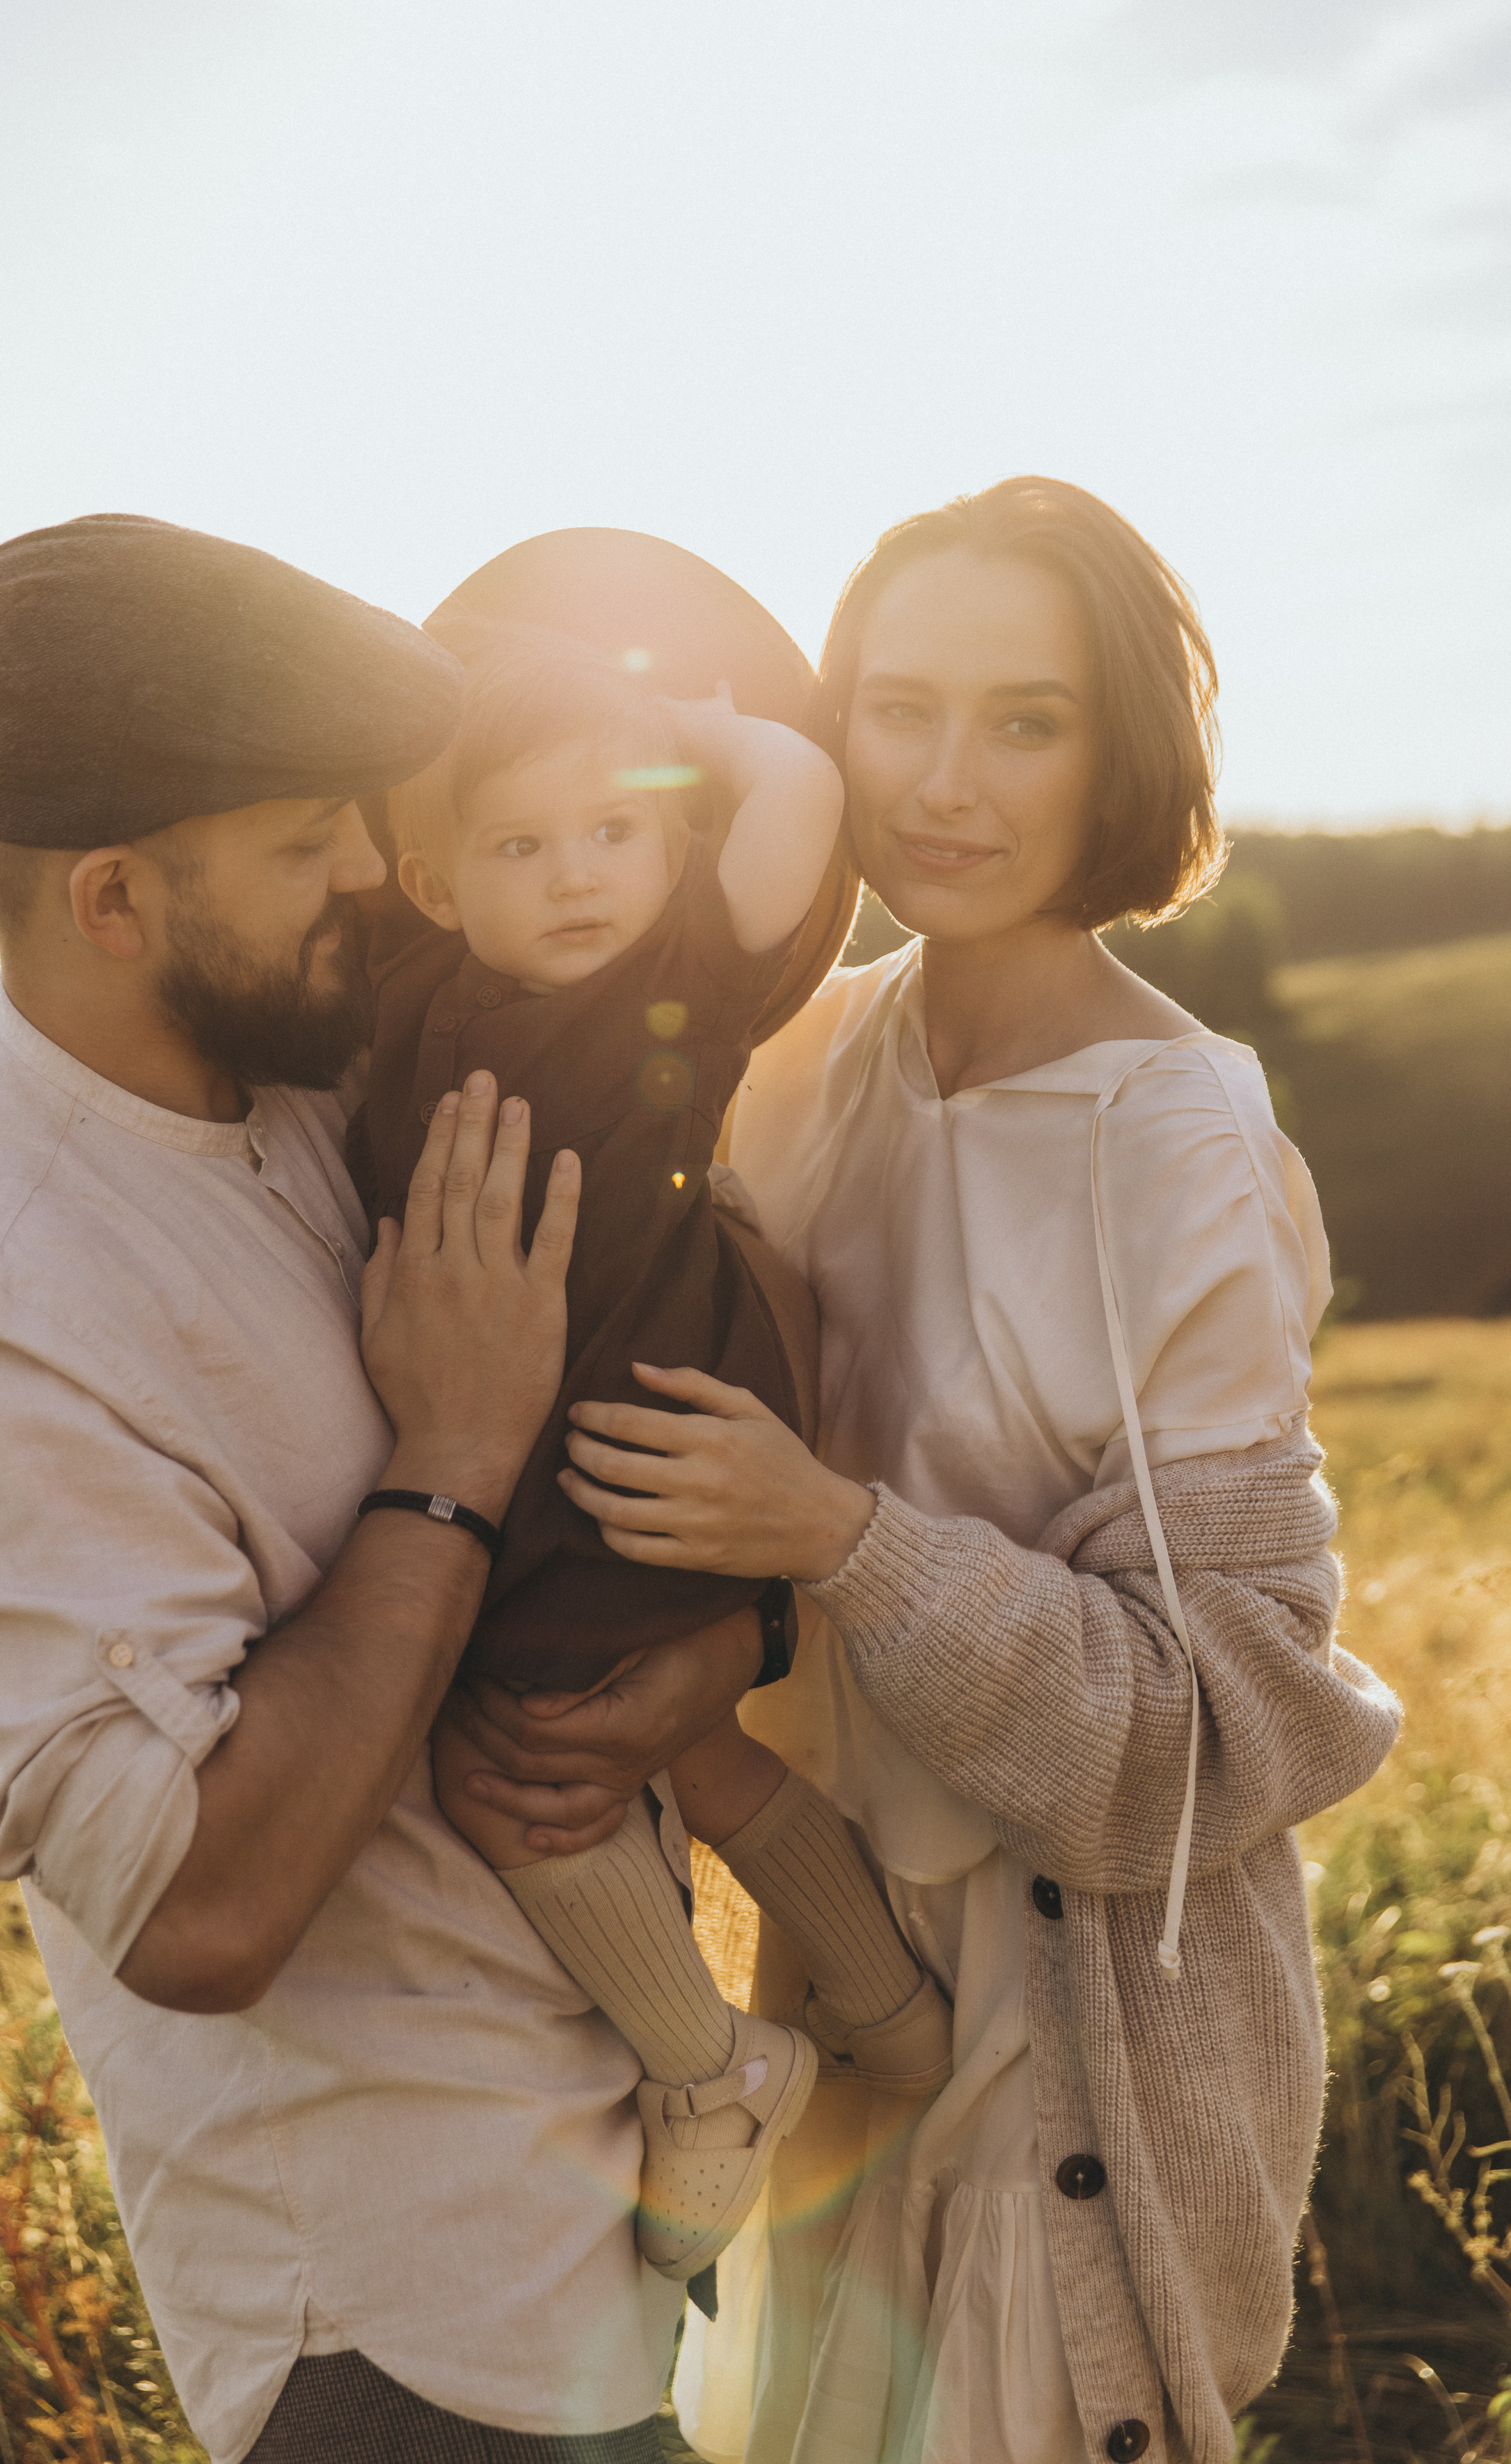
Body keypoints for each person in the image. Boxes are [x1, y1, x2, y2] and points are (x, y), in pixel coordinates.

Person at [0, 512, 775, 2464]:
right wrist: (450, 1458)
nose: (373, 869)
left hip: (542, 2181)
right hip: (405, 2291)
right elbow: (203, 1910)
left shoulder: (304, 1069)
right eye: (311, 834)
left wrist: (726, 1633)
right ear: (114, 898)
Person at [546, 479, 1404, 2464]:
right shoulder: (806, 1064)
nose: (942, 780)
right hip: (848, 1995)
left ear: (1123, 760)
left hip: (1091, 2024)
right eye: (897, 709)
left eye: (1023, 721)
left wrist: (835, 1537)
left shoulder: (1181, 1138)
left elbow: (1216, 1736)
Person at [365, 624, 952, 2286]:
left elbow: (803, 782)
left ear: (668, 843)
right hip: (563, 1444)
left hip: (628, 1453)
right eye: (523, 846)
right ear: (433, 879)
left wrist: (677, 721)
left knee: (531, 1766)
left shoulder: (662, 983)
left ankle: (710, 2072)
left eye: (614, 830)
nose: (576, 878)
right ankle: (890, 2005)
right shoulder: (421, 989)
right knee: (693, 1762)